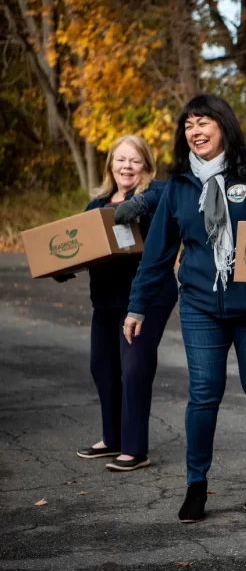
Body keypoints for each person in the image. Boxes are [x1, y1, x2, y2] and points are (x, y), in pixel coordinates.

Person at [123, 94, 246, 524]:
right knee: (203, 394)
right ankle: (196, 484)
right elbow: (158, 252)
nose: (195, 131)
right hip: (201, 305)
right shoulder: (180, 185)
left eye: (203, 122)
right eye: (188, 125)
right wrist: (137, 306)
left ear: (224, 125)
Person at [69, 135, 177, 472]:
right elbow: (81, 245)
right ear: (110, 165)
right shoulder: (97, 204)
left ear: (146, 164)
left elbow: (169, 192)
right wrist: (63, 267)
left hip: (146, 297)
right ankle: (112, 438)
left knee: (134, 369)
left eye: (134, 160)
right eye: (120, 159)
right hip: (106, 298)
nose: (126, 166)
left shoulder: (156, 196)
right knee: (101, 366)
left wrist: (140, 203)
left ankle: (135, 449)